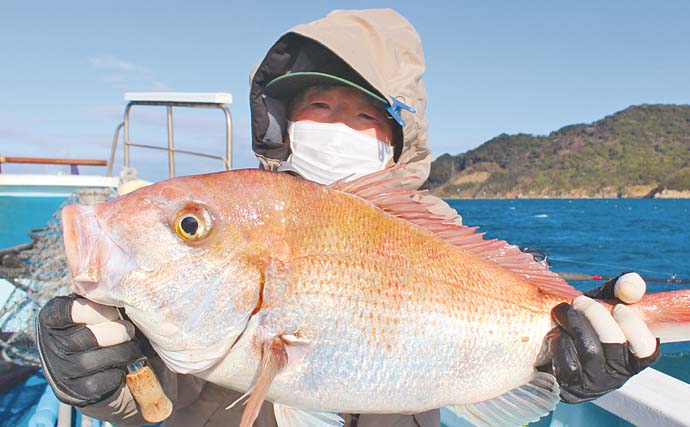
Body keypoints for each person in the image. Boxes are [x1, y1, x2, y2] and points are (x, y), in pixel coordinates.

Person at [36, 9, 660, 427]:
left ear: (395, 140)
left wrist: (573, 351)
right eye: (319, 105)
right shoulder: (243, 210)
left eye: (365, 116)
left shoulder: (432, 228)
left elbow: (514, 340)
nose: (339, 127)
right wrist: (107, 379)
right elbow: (154, 401)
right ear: (284, 123)